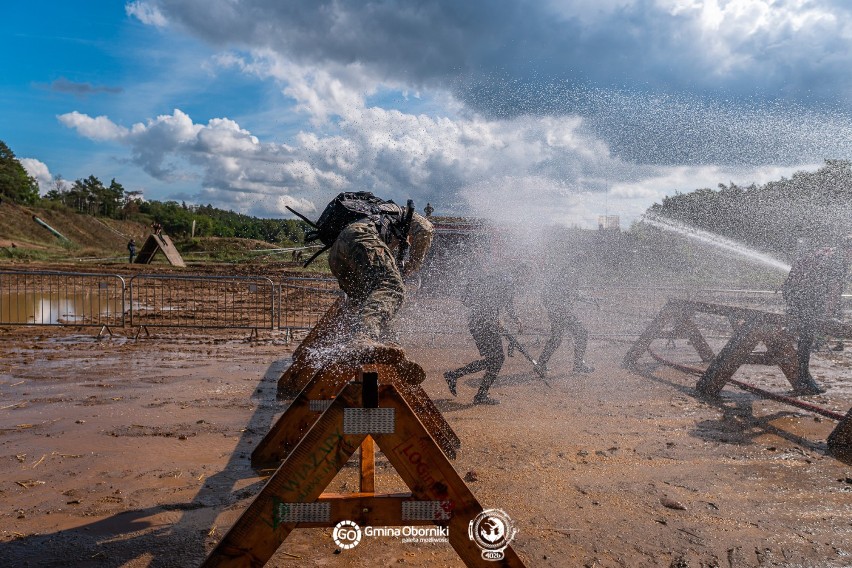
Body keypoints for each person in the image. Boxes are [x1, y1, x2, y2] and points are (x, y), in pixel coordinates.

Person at [325, 197, 433, 344]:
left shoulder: (382, 217)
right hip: (362, 237)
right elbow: (426, 229)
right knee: (392, 287)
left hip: (336, 253)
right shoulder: (406, 214)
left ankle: (373, 342)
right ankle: (363, 338)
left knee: (370, 301)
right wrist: (413, 265)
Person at [782, 235, 852, 395]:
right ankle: (803, 379)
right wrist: (827, 318)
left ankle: (802, 375)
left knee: (804, 335)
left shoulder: (827, 252)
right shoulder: (839, 261)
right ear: (849, 249)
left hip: (793, 293)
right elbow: (834, 292)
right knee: (807, 336)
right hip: (808, 297)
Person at [443, 265, 522, 405]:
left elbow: (490, 302)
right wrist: (509, 319)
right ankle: (469, 387)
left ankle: (461, 380)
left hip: (477, 322)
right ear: (523, 274)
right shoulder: (508, 282)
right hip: (484, 324)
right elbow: (502, 305)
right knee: (497, 359)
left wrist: (502, 319)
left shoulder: (501, 278)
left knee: (495, 359)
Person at [534, 263, 594, 378]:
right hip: (561, 314)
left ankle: (541, 363)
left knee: (556, 339)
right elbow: (552, 298)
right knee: (581, 333)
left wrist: (589, 299)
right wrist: (556, 309)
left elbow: (574, 294)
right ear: (566, 274)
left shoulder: (560, 282)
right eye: (571, 275)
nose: (573, 277)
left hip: (559, 314)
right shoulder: (560, 283)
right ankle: (578, 364)